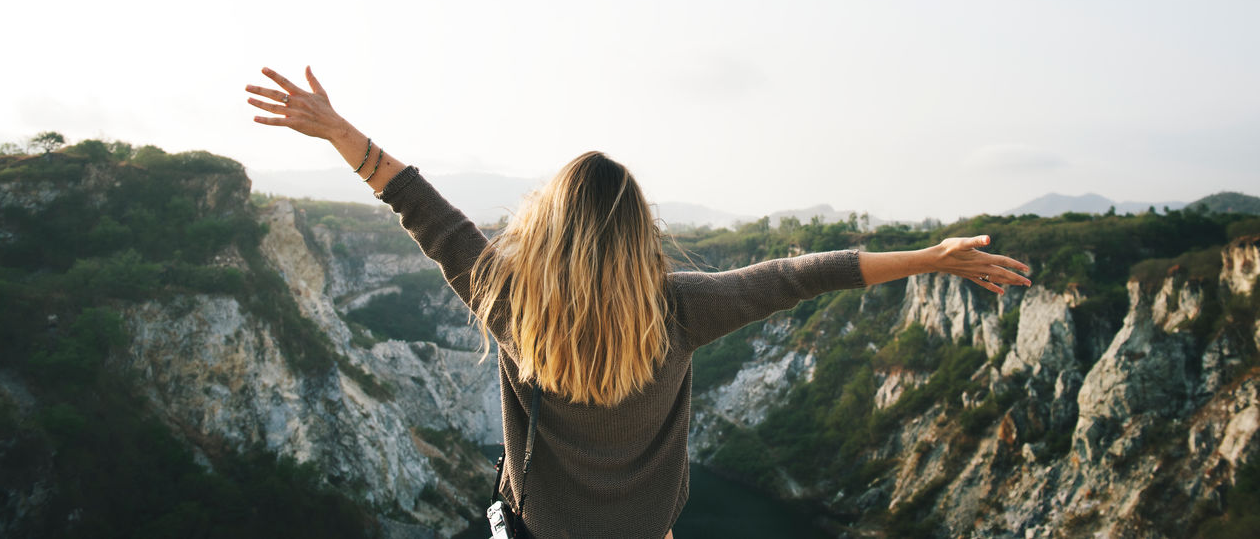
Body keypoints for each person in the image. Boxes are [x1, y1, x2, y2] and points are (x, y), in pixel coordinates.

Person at [246, 66, 1032, 539]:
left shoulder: (510, 301)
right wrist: (931, 258)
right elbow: (803, 274)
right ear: (639, 233)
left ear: (545, 229)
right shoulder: (681, 309)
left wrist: (340, 131)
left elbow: (420, 208)